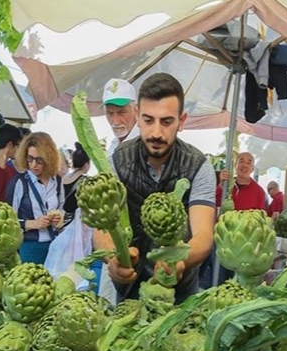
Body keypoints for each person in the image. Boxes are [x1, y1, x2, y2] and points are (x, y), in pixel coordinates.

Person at [97, 72, 216, 304]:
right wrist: (113, 256)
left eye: (167, 121)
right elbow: (102, 227)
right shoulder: (116, 162)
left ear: (181, 121)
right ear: (138, 117)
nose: (156, 133)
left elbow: (203, 235)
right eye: (148, 120)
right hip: (129, 290)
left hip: (178, 294)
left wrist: (179, 261)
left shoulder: (199, 166)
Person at [5, 132, 64, 265]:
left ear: (49, 159)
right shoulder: (18, 183)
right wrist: (31, 224)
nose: (33, 165)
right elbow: (7, 220)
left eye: (39, 160)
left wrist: (59, 218)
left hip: (55, 246)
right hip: (29, 247)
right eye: (30, 159)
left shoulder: (58, 181)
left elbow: (62, 209)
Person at [103, 78, 139, 155]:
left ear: (136, 110)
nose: (115, 122)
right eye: (110, 113)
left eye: (122, 112)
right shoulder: (113, 146)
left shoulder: (147, 142)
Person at [61, 142, 91, 229]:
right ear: (86, 164)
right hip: (75, 225)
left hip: (62, 222)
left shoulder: (64, 178)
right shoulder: (86, 181)